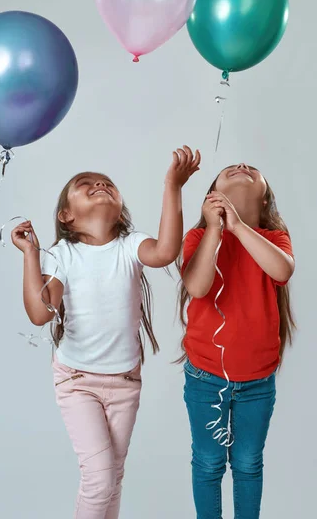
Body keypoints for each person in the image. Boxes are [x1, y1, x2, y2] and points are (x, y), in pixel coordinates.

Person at [12, 145, 200, 519]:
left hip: (126, 383)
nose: (100, 184)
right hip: (77, 381)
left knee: (112, 478)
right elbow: (39, 314)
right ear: (67, 216)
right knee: (99, 481)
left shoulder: (131, 246)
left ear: (120, 209)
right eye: (86, 184)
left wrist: (173, 187)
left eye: (107, 183)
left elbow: (165, 252)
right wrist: (31, 254)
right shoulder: (61, 255)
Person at [178, 162, 295, 519]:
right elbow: (197, 287)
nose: (242, 167)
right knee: (209, 462)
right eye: (230, 169)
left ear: (264, 201)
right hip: (205, 377)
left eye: (252, 171)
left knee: (247, 463)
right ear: (212, 196)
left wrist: (239, 228)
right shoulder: (198, 239)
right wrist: (215, 230)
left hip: (258, 381)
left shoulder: (274, 239)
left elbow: (282, 270)